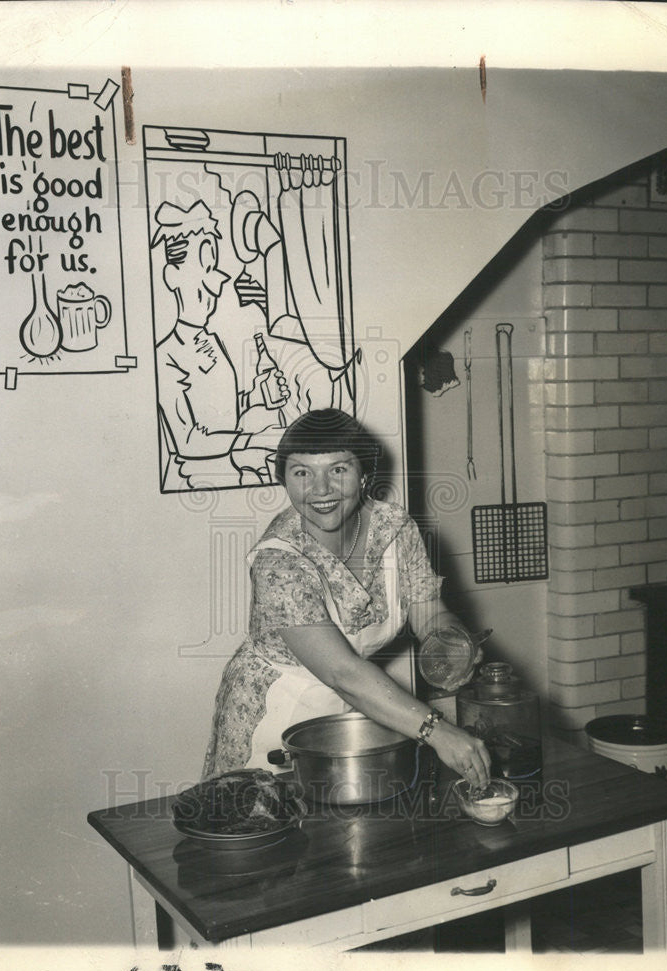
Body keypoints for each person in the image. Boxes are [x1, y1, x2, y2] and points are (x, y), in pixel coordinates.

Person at [202, 408, 491, 789]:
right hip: (275, 716)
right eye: (302, 473)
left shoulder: (394, 527)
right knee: (259, 821)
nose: (320, 490)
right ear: (284, 480)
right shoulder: (278, 561)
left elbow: (428, 613)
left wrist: (450, 643)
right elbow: (342, 671)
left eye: (338, 470)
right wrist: (437, 731)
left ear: (364, 474)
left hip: (352, 708)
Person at [151, 200, 289, 488]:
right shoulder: (165, 356)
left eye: (213, 265)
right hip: (193, 478)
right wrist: (254, 440)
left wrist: (256, 397)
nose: (216, 281)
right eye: (203, 266)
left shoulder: (213, 340)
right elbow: (189, 440)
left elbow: (219, 411)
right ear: (172, 276)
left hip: (229, 467)